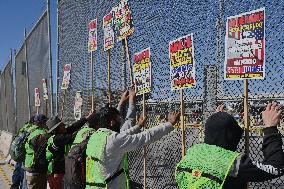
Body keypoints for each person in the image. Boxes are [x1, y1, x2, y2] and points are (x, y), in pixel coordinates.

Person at [175, 102, 284, 189]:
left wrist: (218, 120)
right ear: (232, 137)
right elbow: (276, 168)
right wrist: (270, 128)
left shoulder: (193, 152)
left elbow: (216, 131)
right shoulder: (232, 163)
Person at [85, 105, 180, 189]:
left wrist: (138, 126)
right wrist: (169, 124)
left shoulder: (95, 137)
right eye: (119, 120)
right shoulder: (113, 140)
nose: (120, 122)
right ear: (112, 122)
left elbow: (121, 136)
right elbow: (146, 136)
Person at [64, 89, 137, 189]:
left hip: (73, 178)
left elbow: (112, 120)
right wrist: (132, 99)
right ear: (100, 124)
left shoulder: (83, 132)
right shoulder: (104, 138)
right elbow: (129, 122)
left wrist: (121, 102)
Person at [45, 112, 94, 189]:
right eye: (62, 125)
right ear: (56, 129)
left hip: (58, 172)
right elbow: (73, 136)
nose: (64, 126)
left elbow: (73, 127)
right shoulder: (58, 139)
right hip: (57, 174)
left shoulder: (58, 135)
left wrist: (86, 118)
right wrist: (86, 132)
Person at [24, 114, 49, 189]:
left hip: (29, 163)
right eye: (45, 122)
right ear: (41, 123)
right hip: (36, 167)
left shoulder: (30, 129)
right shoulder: (41, 133)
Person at [10, 116, 36, 189]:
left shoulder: (24, 127)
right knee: (23, 177)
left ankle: (14, 186)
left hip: (18, 153)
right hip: (25, 155)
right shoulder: (32, 129)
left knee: (17, 172)